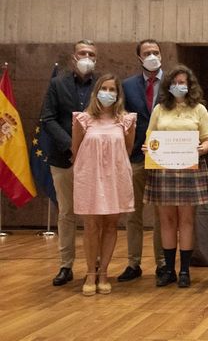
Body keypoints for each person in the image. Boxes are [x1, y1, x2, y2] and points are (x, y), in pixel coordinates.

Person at [143, 64, 208, 288]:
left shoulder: (199, 109)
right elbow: (149, 138)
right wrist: (147, 148)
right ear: (168, 85)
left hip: (190, 169)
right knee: (167, 220)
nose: (178, 86)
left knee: (186, 220)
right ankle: (169, 270)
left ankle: (184, 271)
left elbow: (207, 139)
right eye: (174, 82)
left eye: (182, 82)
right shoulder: (160, 109)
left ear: (189, 85)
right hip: (163, 170)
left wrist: (203, 148)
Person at [71, 74, 136, 295]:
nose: (108, 93)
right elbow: (76, 149)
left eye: (112, 89)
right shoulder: (82, 119)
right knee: (91, 226)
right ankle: (90, 272)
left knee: (110, 225)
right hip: (90, 177)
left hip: (115, 177)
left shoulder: (126, 120)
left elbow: (127, 149)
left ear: (118, 94)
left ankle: (104, 272)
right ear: (96, 91)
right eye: (104, 88)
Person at [41, 39, 98, 286]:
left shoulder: (103, 86)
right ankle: (66, 265)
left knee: (93, 215)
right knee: (66, 213)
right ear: (74, 57)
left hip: (96, 161)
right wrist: (72, 145)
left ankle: (94, 265)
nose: (87, 57)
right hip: (64, 159)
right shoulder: (57, 84)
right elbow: (48, 119)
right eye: (83, 53)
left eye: (91, 54)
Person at [118, 39, 166, 282]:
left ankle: (162, 263)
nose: (152, 56)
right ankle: (133, 263)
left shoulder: (173, 84)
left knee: (161, 215)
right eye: (147, 53)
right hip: (136, 156)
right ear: (139, 57)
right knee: (133, 213)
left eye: (156, 52)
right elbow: (122, 119)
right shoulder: (127, 86)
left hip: (164, 159)